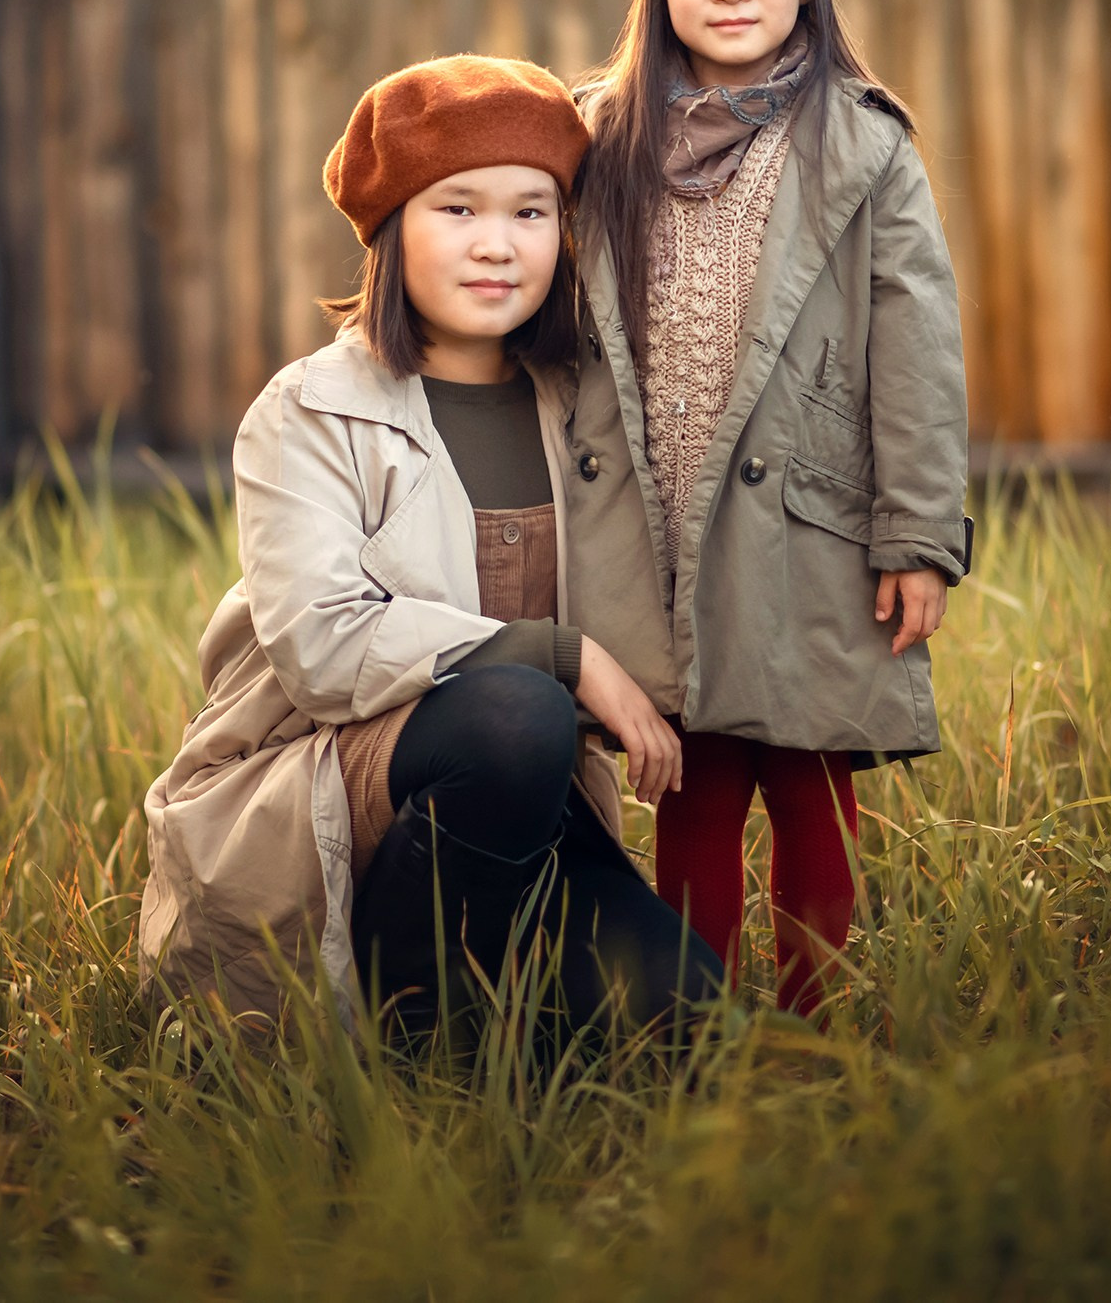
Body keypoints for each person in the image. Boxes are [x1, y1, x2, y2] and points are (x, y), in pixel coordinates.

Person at [138, 54, 724, 1041]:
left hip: (529, 814)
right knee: (517, 713)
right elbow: (324, 645)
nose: (497, 244)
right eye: (457, 209)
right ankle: (410, 1029)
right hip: (334, 798)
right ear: (390, 228)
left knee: (690, 1018)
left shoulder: (584, 411)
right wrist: (566, 655)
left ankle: (502, 1011)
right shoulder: (311, 412)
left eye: (530, 211)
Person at [559, 0, 974, 1018]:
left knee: (808, 780)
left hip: (808, 518)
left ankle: (809, 1020)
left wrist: (916, 534)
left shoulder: (861, 143)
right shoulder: (602, 139)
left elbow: (917, 350)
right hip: (657, 517)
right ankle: (693, 1019)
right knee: (690, 783)